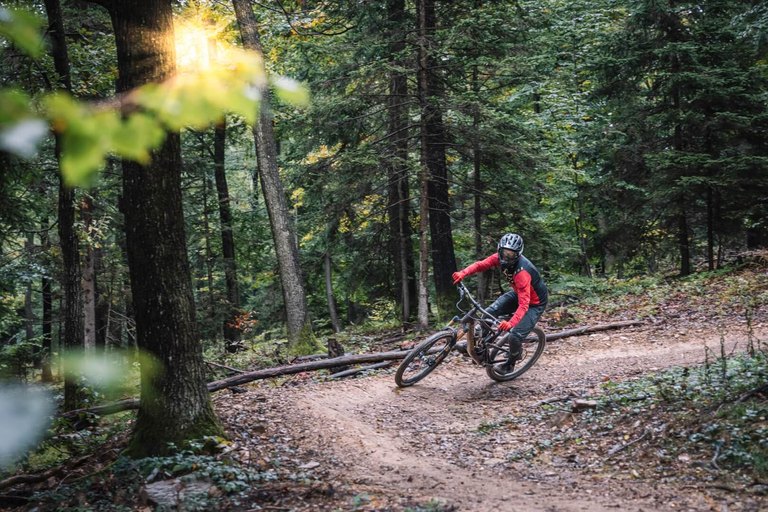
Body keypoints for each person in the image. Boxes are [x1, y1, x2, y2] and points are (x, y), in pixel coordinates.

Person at [451, 233, 547, 370]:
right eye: (504, 253)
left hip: (535, 304)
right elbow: (481, 265)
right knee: (489, 312)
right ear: (499, 250)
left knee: (514, 336)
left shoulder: (522, 273)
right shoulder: (498, 257)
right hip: (518, 294)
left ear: (518, 255)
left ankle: (511, 363)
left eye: (511, 255)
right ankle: (480, 346)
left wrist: (510, 323)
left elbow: (524, 304)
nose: (506, 257)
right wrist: (463, 273)